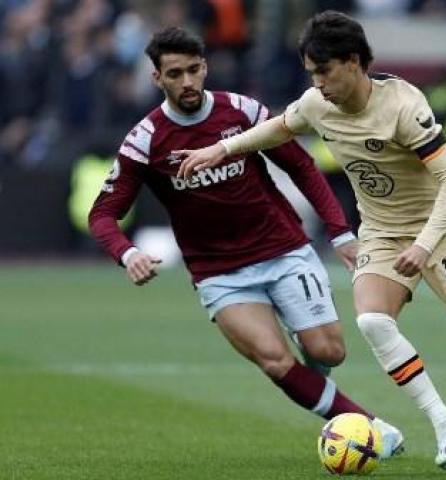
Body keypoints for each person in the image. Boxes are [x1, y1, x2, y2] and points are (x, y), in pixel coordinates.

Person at [175, 11, 446, 469]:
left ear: (353, 62)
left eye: (324, 71)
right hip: (382, 230)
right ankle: (444, 424)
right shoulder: (318, 104)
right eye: (311, 74)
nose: (317, 83)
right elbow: (280, 126)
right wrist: (222, 148)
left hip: (444, 226)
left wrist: (425, 244)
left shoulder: (403, 107)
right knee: (373, 321)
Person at [87, 26, 405, 456]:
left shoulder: (242, 112)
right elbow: (102, 214)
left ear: (206, 68)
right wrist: (127, 254)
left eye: (194, 70)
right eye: (175, 73)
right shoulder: (145, 141)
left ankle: (314, 374)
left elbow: (303, 168)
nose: (187, 82)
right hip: (219, 274)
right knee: (275, 361)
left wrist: (340, 232)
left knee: (328, 351)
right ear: (157, 79)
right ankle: (370, 429)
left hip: (284, 249)